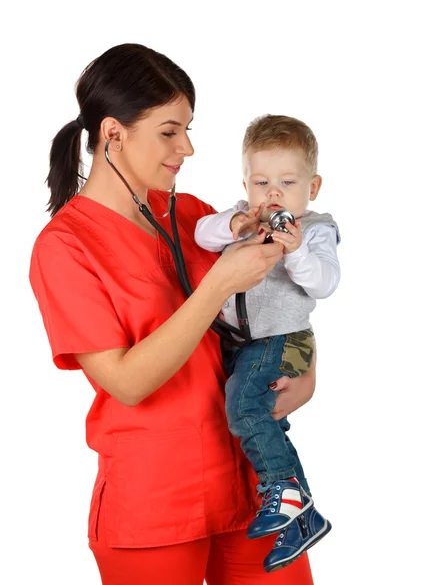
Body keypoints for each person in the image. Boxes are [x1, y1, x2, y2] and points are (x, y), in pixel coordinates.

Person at [29, 43, 317, 585]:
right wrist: (215, 286)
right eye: (169, 131)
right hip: (156, 503)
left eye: (188, 128)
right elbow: (126, 381)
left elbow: (277, 298)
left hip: (256, 484)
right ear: (113, 133)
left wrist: (307, 370)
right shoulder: (64, 247)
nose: (186, 147)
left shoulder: (195, 215)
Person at [195, 114, 340, 571]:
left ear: (312, 187)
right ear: (245, 183)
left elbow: (326, 283)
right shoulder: (242, 215)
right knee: (259, 419)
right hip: (241, 341)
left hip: (282, 337)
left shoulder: (315, 228)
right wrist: (237, 221)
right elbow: (201, 233)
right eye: (261, 182)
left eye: (286, 181)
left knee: (242, 407)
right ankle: (305, 517)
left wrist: (295, 250)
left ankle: (283, 487)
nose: (272, 193)